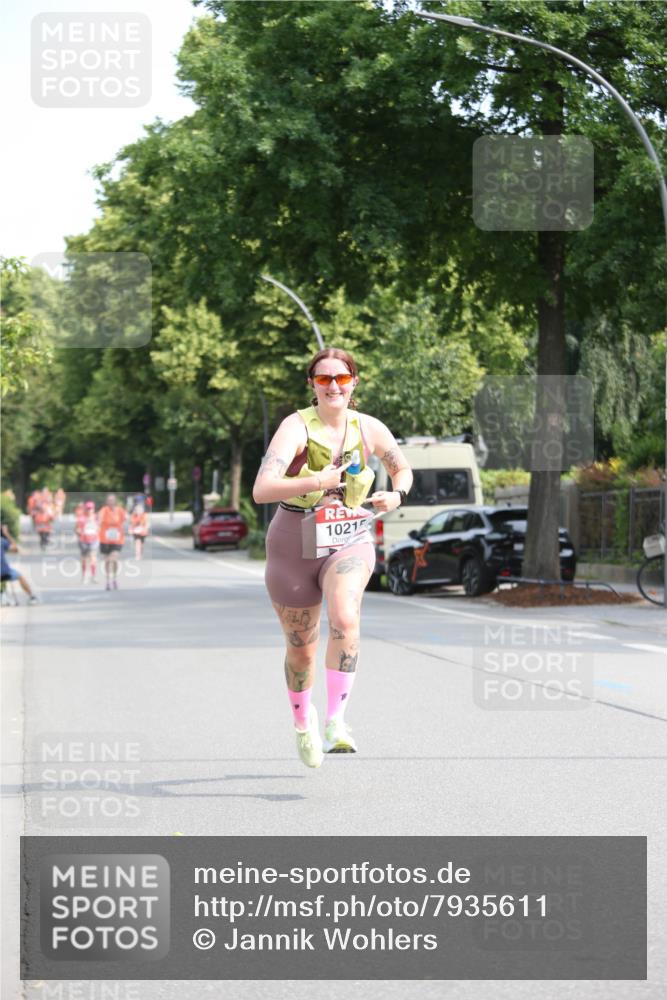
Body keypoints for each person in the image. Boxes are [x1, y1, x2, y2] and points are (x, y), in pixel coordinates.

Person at [252, 347, 413, 769]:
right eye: (324, 379)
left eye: (341, 378)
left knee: (344, 616)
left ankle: (336, 722)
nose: (334, 386)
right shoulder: (295, 427)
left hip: (348, 536)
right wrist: (316, 481)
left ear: (354, 382)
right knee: (301, 650)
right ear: (313, 384)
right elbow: (262, 489)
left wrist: (397, 494)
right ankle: (302, 723)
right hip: (293, 541)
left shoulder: (369, 428)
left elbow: (402, 468)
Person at [1, 522, 38, 603]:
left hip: (4, 572)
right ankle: (32, 597)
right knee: (20, 576)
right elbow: (15, 549)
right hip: (4, 572)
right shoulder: (2, 541)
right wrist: (6, 534)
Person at [97, 493, 127, 590]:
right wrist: (98, 523)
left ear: (115, 501)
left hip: (117, 539)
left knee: (113, 559)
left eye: (112, 500)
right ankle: (108, 580)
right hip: (105, 539)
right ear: (106, 501)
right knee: (107, 561)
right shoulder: (103, 510)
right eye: (109, 500)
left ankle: (114, 578)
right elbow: (99, 519)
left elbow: (126, 519)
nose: (110, 502)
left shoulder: (120, 510)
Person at [75, 501, 100, 583]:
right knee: (84, 559)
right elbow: (77, 528)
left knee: (93, 557)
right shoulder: (81, 518)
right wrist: (78, 531)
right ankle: (84, 575)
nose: (89, 510)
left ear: (94, 509)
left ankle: (93, 576)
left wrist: (98, 530)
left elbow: (100, 527)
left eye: (91, 508)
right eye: (88, 508)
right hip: (84, 540)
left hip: (94, 540)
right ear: (85, 509)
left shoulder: (96, 517)